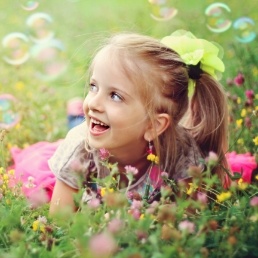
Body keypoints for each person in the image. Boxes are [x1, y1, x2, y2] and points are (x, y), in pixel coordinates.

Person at [48, 30, 230, 214]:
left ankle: (75, 113)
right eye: (93, 87)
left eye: (115, 96)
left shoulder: (181, 153)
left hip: (103, 127)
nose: (94, 103)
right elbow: (59, 223)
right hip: (94, 130)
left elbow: (189, 220)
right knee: (78, 126)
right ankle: (73, 114)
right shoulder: (78, 150)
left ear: (154, 125)